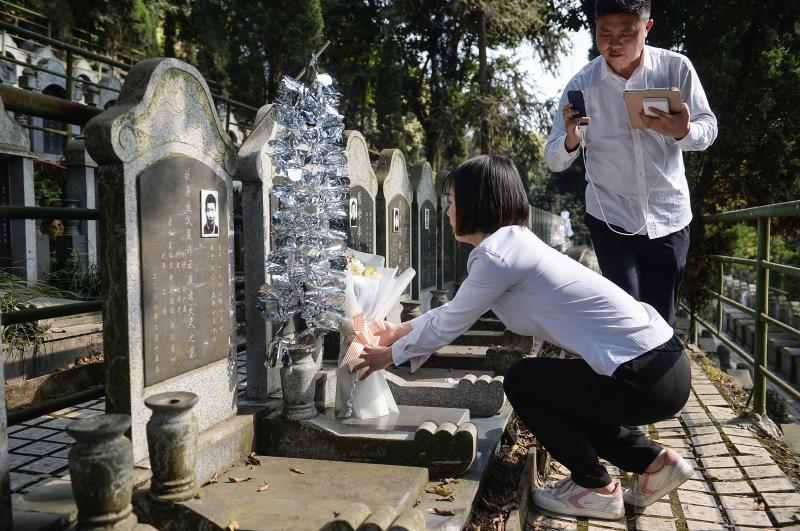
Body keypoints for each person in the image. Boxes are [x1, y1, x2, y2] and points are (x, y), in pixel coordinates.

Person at [353, 155, 693, 520]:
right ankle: (657, 463)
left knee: (525, 381)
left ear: (475, 202)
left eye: (451, 201)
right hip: (664, 366)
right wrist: (399, 331)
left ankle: (594, 488)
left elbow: (451, 321)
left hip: (644, 374)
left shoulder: (498, 256)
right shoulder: (511, 246)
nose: (447, 210)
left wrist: (389, 356)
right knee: (559, 393)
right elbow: (458, 309)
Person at [544, 0, 717, 328]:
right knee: (625, 319)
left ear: (647, 28)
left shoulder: (675, 68)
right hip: (610, 217)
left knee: (661, 321)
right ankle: (626, 378)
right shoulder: (581, 84)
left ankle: (657, 377)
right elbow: (554, 160)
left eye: (626, 33)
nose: (614, 43)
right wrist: (571, 137)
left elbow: (709, 129)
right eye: (604, 33)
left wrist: (685, 131)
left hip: (668, 215)